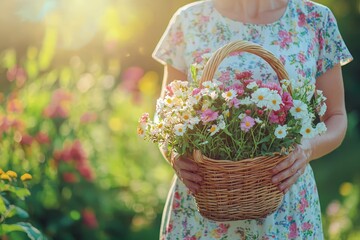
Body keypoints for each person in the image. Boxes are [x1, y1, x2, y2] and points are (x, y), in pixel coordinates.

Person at [152, 0, 353, 239]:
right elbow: (165, 115)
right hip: (203, 205)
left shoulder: (314, 19)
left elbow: (336, 116)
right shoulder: (189, 20)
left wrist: (308, 148)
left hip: (283, 202)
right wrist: (174, 154)